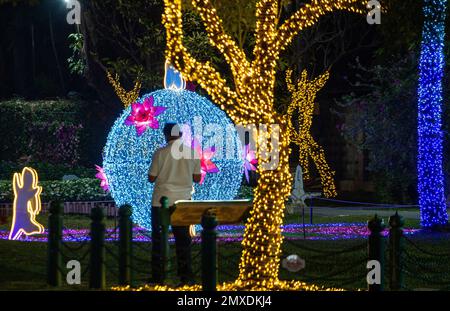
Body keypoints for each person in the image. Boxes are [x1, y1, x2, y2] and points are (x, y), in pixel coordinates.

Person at [148, 122, 201, 285]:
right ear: (180, 134)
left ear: (166, 135)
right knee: (183, 240)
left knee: (159, 239)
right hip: (183, 202)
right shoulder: (192, 153)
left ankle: (159, 276)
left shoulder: (160, 153)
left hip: (161, 201)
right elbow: (197, 178)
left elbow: (151, 177)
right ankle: (185, 276)